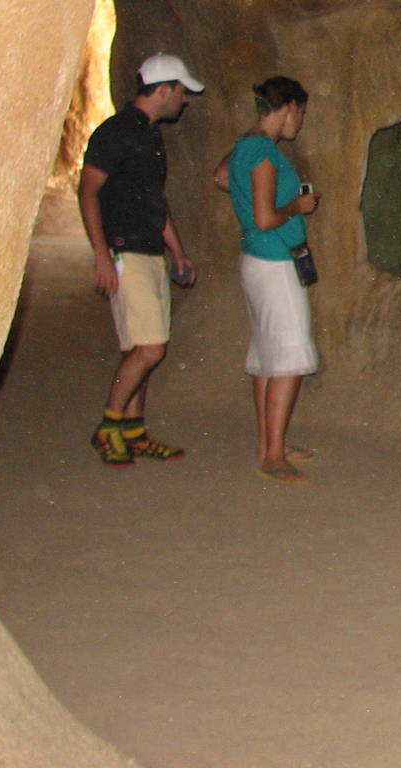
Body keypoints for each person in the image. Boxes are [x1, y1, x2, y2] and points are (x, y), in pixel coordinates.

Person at [78, 52, 203, 467]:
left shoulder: (150, 136)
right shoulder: (114, 132)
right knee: (151, 347)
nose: (184, 99)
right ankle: (109, 426)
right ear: (163, 90)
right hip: (124, 249)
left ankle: (133, 432)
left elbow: (153, 200)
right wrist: (101, 254)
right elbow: (88, 190)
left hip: (149, 250)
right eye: (181, 91)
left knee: (140, 345)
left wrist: (178, 250)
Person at [217, 76, 321, 483]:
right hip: (276, 261)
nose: (302, 123)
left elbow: (220, 177)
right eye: (302, 114)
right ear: (289, 107)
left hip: (257, 260)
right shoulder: (262, 152)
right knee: (289, 359)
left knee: (267, 357)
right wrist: (299, 205)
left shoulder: (247, 145)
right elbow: (265, 216)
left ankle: (268, 443)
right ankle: (273, 453)